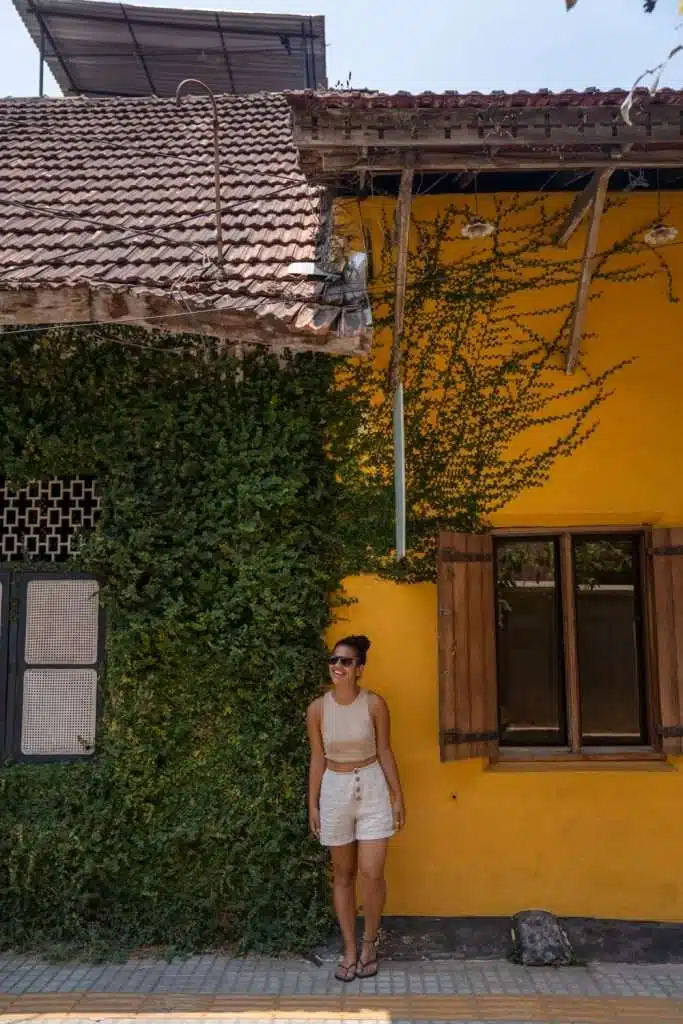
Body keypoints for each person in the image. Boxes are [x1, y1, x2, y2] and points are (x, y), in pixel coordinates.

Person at [306, 634, 405, 983]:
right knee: (343, 874)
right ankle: (348, 949)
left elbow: (386, 752)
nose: (337, 666)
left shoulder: (374, 704)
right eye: (334, 660)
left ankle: (369, 944)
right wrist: (313, 804)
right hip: (334, 790)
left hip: (373, 787)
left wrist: (397, 795)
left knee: (371, 874)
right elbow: (317, 758)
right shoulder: (317, 709)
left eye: (346, 662)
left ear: (359, 669)